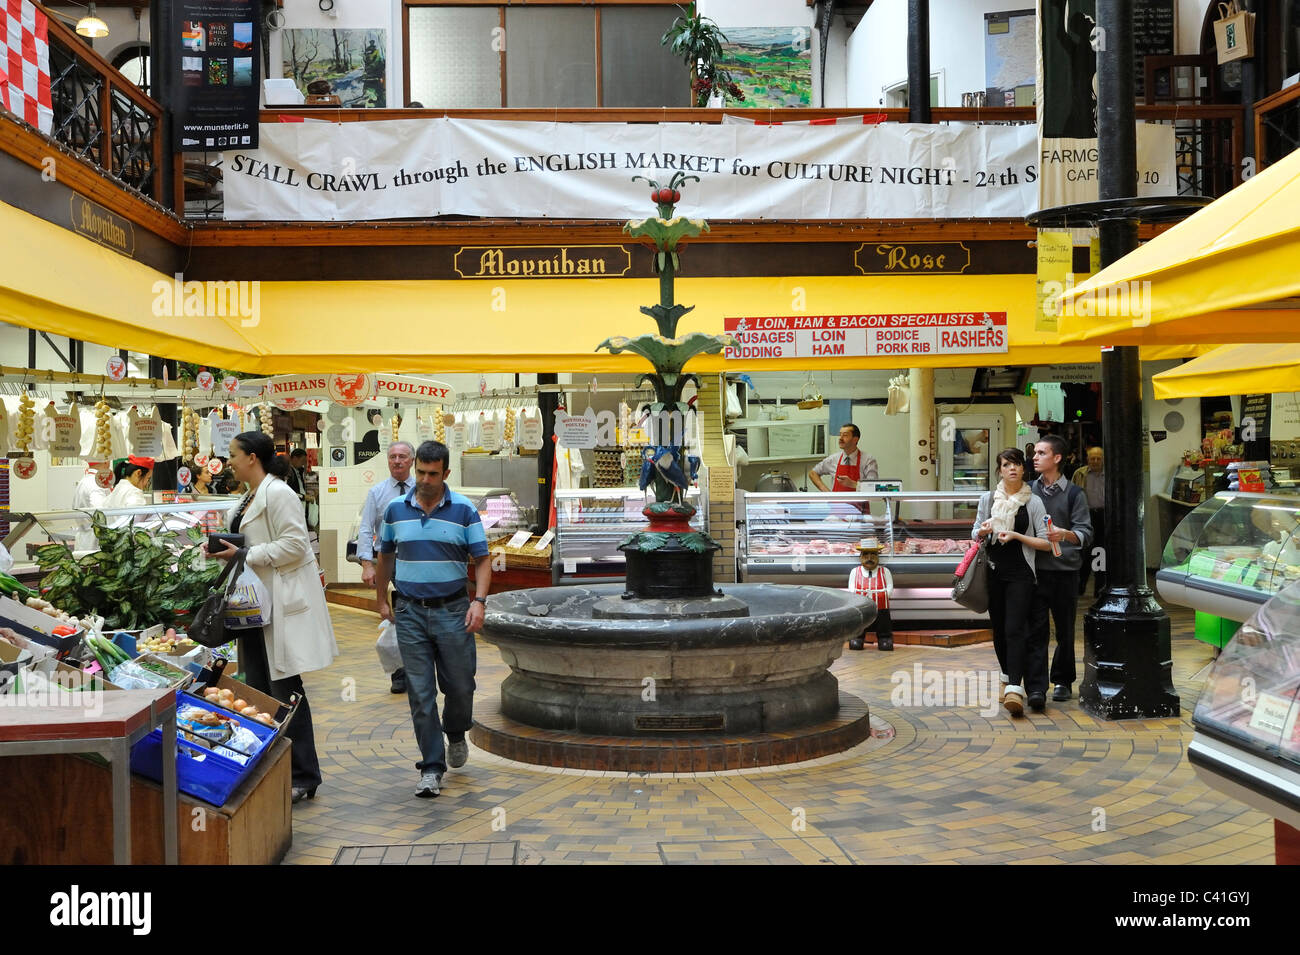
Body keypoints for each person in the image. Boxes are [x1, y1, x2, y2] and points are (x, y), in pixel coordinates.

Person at [205, 432, 338, 805]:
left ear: (251, 457)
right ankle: (272, 769)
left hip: (277, 607)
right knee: (259, 691)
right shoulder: (249, 494)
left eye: (232, 454)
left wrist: (246, 554)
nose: (228, 461)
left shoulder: (279, 494)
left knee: (285, 692)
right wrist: (227, 551)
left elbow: (296, 545)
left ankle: (304, 774)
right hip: (254, 608)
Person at [375, 440, 491, 799]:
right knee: (420, 694)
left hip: (454, 610)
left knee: (460, 685)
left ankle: (455, 731)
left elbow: (482, 560)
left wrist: (480, 602)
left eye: (432, 474)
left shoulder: (465, 510)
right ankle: (431, 766)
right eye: (420, 472)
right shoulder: (395, 510)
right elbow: (386, 558)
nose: (424, 480)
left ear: (446, 473)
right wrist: (381, 599)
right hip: (409, 611)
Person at [973, 448, 1052, 716]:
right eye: (1007, 464)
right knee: (999, 629)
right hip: (993, 571)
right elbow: (975, 532)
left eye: (1017, 464)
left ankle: (1015, 690)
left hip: (1021, 572)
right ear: (1000, 469)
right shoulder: (988, 499)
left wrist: (1017, 536)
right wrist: (983, 531)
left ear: (1023, 469)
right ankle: (1007, 677)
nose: (1012, 469)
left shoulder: (1034, 502)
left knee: (1015, 628)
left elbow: (1045, 542)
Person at [1030, 435, 1093, 707]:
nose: (1035, 457)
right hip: (1035, 571)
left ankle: (1063, 681)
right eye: (1034, 452)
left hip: (1066, 571)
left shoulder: (1075, 494)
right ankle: (1036, 686)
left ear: (1057, 458)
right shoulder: (1028, 490)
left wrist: (1066, 534)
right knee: (1036, 630)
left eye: (1041, 453)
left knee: (1065, 630)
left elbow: (1086, 533)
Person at [355, 441, 415, 694]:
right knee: (397, 617)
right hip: (386, 560)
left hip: (416, 561)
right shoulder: (377, 493)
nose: (397, 461)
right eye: (392, 457)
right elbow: (366, 528)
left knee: (409, 617)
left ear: (412, 460)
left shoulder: (423, 489)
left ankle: (413, 669)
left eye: (402, 456)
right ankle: (399, 672)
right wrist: (367, 564)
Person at [846, 538, 894, 651]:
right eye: (866, 554)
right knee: (859, 621)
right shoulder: (855, 571)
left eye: (873, 554)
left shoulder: (885, 571)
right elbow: (851, 587)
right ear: (860, 556)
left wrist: (884, 595)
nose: (869, 558)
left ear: (878, 556)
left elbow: (890, 587)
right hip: (860, 605)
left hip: (881, 604)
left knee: (883, 621)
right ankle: (858, 637)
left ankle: (884, 638)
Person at [1072, 446, 1106, 596]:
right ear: (1088, 459)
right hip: (1086, 516)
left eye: (1099, 458)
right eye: (1093, 458)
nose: (1096, 461)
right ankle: (1080, 587)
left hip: (1104, 517)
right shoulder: (1079, 474)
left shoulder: (1110, 474)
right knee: (1084, 551)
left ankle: (1099, 589)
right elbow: (1071, 496)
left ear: (1103, 459)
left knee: (1102, 552)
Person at [808, 423, 878, 492]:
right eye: (840, 434)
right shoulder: (833, 459)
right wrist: (827, 493)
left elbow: (873, 488)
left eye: (845, 435)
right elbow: (813, 473)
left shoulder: (868, 460)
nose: (840, 438)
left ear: (855, 439)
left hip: (859, 503)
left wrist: (854, 484)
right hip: (836, 503)